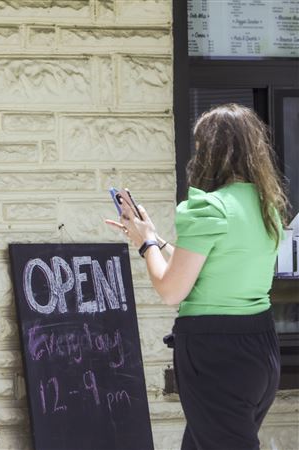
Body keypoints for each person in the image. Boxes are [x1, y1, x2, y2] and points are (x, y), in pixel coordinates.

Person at [106, 104, 288, 450]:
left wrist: (146, 247)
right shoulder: (266, 207)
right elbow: (209, 267)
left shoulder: (207, 207)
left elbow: (172, 290)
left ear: (212, 150)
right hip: (259, 349)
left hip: (217, 354)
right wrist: (154, 239)